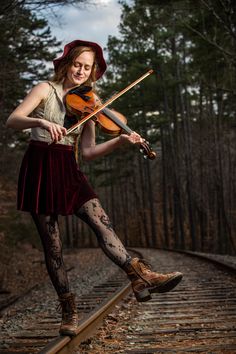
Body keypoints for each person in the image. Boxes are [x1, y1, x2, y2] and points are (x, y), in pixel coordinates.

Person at [6, 39, 183, 337]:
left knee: (103, 225)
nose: (81, 71)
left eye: (87, 68)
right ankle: (68, 308)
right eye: (77, 64)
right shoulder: (44, 89)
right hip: (40, 165)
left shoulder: (90, 101)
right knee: (54, 248)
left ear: (92, 73)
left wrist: (121, 140)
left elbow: (88, 152)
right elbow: (12, 120)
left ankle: (140, 275)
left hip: (67, 167)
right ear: (66, 63)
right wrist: (40, 121)